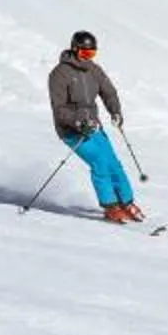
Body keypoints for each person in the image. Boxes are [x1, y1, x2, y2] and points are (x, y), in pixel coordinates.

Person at [47, 30, 141, 223]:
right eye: (84, 54)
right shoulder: (59, 74)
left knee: (113, 162)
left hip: (93, 126)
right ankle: (110, 206)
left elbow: (109, 92)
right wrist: (78, 122)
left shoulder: (94, 70)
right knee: (99, 161)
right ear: (75, 50)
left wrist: (115, 111)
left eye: (91, 54)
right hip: (71, 131)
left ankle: (126, 202)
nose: (87, 59)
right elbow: (59, 109)